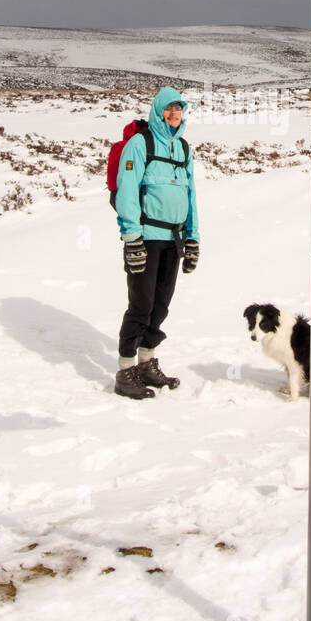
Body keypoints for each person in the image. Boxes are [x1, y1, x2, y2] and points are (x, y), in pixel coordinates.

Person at [113, 86, 199, 399]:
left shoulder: (184, 148)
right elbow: (126, 192)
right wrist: (131, 238)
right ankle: (125, 371)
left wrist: (193, 238)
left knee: (160, 306)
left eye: (179, 109)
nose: (174, 114)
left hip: (173, 240)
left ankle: (147, 364)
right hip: (146, 239)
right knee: (140, 305)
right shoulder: (140, 144)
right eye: (169, 108)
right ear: (158, 110)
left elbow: (191, 196)